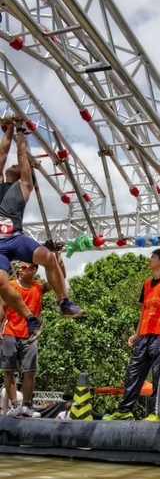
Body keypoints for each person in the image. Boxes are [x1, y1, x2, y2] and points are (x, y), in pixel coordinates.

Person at [0, 115, 84, 344]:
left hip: (14, 237)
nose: (14, 166)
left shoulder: (24, 186)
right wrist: (6, 130)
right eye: (13, 166)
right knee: (0, 283)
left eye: (18, 167)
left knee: (48, 257)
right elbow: (2, 154)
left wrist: (19, 130)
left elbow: (20, 156)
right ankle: (30, 319)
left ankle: (64, 302)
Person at [104, 248, 160, 421]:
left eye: (153, 257)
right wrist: (137, 333)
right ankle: (124, 410)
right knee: (133, 372)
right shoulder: (146, 284)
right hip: (144, 335)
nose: (149, 260)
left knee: (158, 373)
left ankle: (157, 412)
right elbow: (143, 310)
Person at [0, 249, 67, 417]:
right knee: (9, 370)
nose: (21, 270)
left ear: (34, 269)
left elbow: (59, 277)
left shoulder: (39, 287)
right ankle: (15, 405)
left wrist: (56, 256)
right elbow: (1, 307)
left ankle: (26, 405)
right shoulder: (11, 286)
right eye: (20, 268)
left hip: (30, 335)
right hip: (10, 332)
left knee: (30, 371)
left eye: (25, 267)